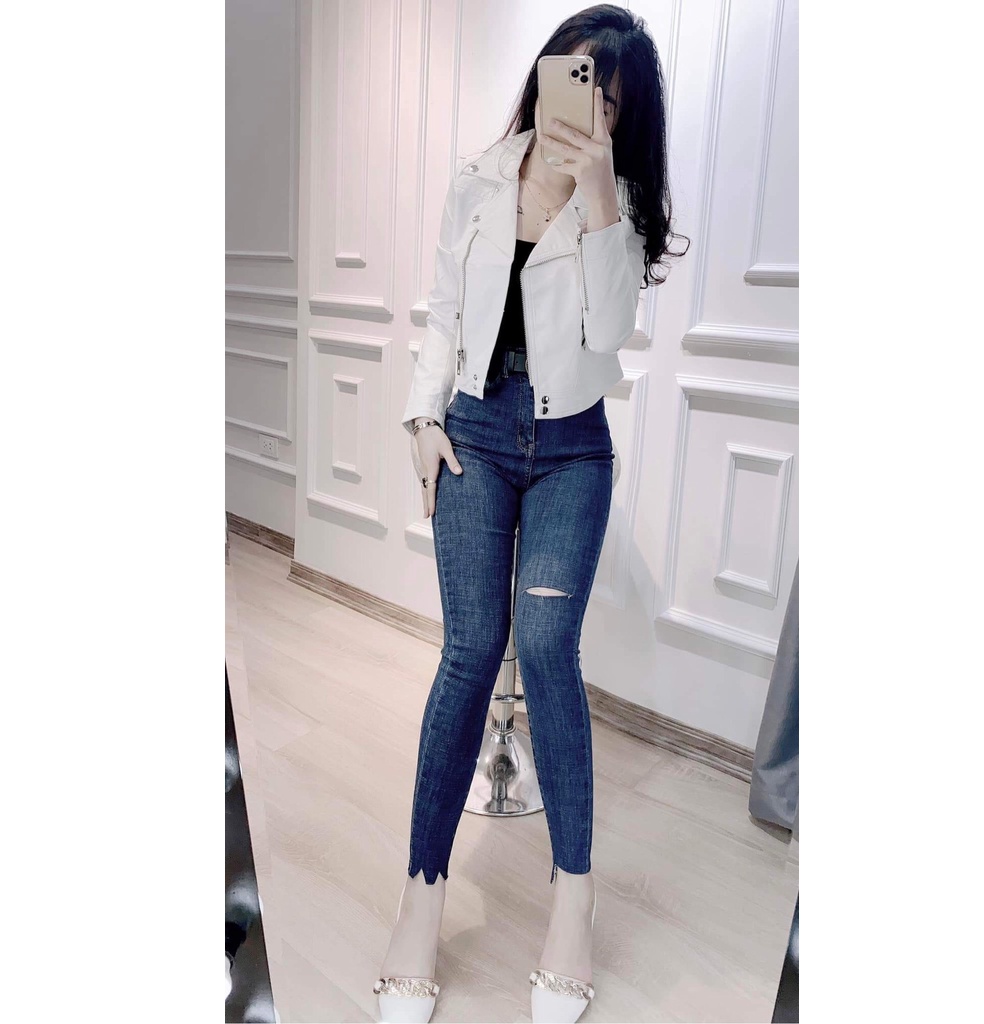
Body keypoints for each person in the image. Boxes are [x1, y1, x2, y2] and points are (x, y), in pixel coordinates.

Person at [375, 6, 687, 1022]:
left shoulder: (618, 207)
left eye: (612, 101)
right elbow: (444, 312)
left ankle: (573, 904)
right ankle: (421, 896)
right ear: (549, 74)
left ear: (626, 119)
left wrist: (596, 197)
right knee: (470, 651)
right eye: (578, 79)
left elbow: (605, 339)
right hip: (473, 430)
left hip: (569, 451)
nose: (589, 108)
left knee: (548, 649)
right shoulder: (478, 177)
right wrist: (422, 415)